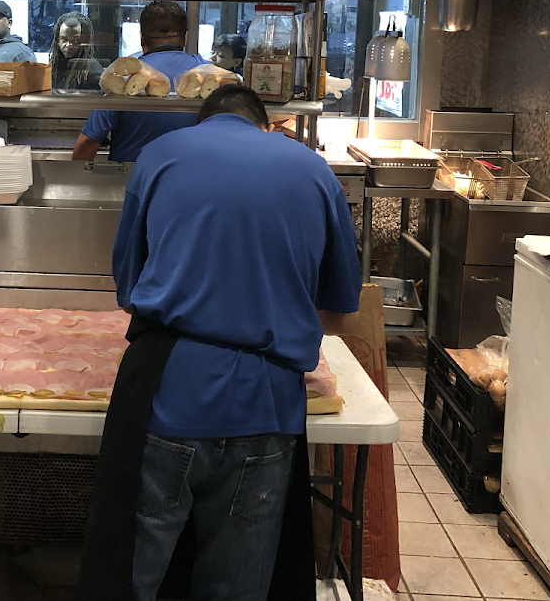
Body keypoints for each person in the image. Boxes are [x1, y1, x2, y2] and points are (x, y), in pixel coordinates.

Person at [78, 84, 362, 601]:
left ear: (202, 122)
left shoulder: (160, 155)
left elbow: (128, 290)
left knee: (129, 578)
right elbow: (339, 309)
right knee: (236, 586)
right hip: (267, 404)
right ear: (266, 125)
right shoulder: (314, 169)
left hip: (169, 394)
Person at [72, 0, 206, 162]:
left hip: (130, 175)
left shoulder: (123, 76)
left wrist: (72, 176)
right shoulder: (208, 75)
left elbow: (88, 142)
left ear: (141, 38)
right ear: (185, 38)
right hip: (187, 174)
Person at [50, 11, 104, 91]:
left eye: (75, 41)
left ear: (85, 41)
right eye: (64, 40)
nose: (68, 45)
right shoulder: (56, 66)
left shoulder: (92, 72)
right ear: (57, 39)